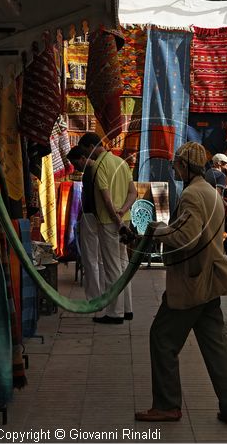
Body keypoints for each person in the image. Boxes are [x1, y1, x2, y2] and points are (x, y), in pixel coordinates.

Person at [134, 141, 227, 428]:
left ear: (185, 166)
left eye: (177, 164)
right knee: (215, 347)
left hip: (192, 282)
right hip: (209, 281)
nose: (174, 168)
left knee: (162, 338)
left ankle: (167, 405)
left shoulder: (194, 195)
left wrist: (158, 230)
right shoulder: (211, 192)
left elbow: (186, 238)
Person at [78, 132, 137, 324]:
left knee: (112, 267)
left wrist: (116, 219)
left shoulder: (98, 167)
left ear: (90, 147)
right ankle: (127, 309)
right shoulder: (121, 162)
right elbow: (133, 193)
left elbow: (106, 199)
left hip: (109, 222)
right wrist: (123, 213)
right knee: (122, 265)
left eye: (86, 151)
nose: (87, 156)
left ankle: (115, 312)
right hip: (123, 219)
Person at [66, 146, 105, 301]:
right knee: (100, 260)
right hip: (100, 217)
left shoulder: (90, 171)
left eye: (76, 163)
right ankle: (102, 295)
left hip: (91, 217)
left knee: (90, 260)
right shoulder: (98, 169)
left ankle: (94, 297)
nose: (75, 167)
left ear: (83, 158)